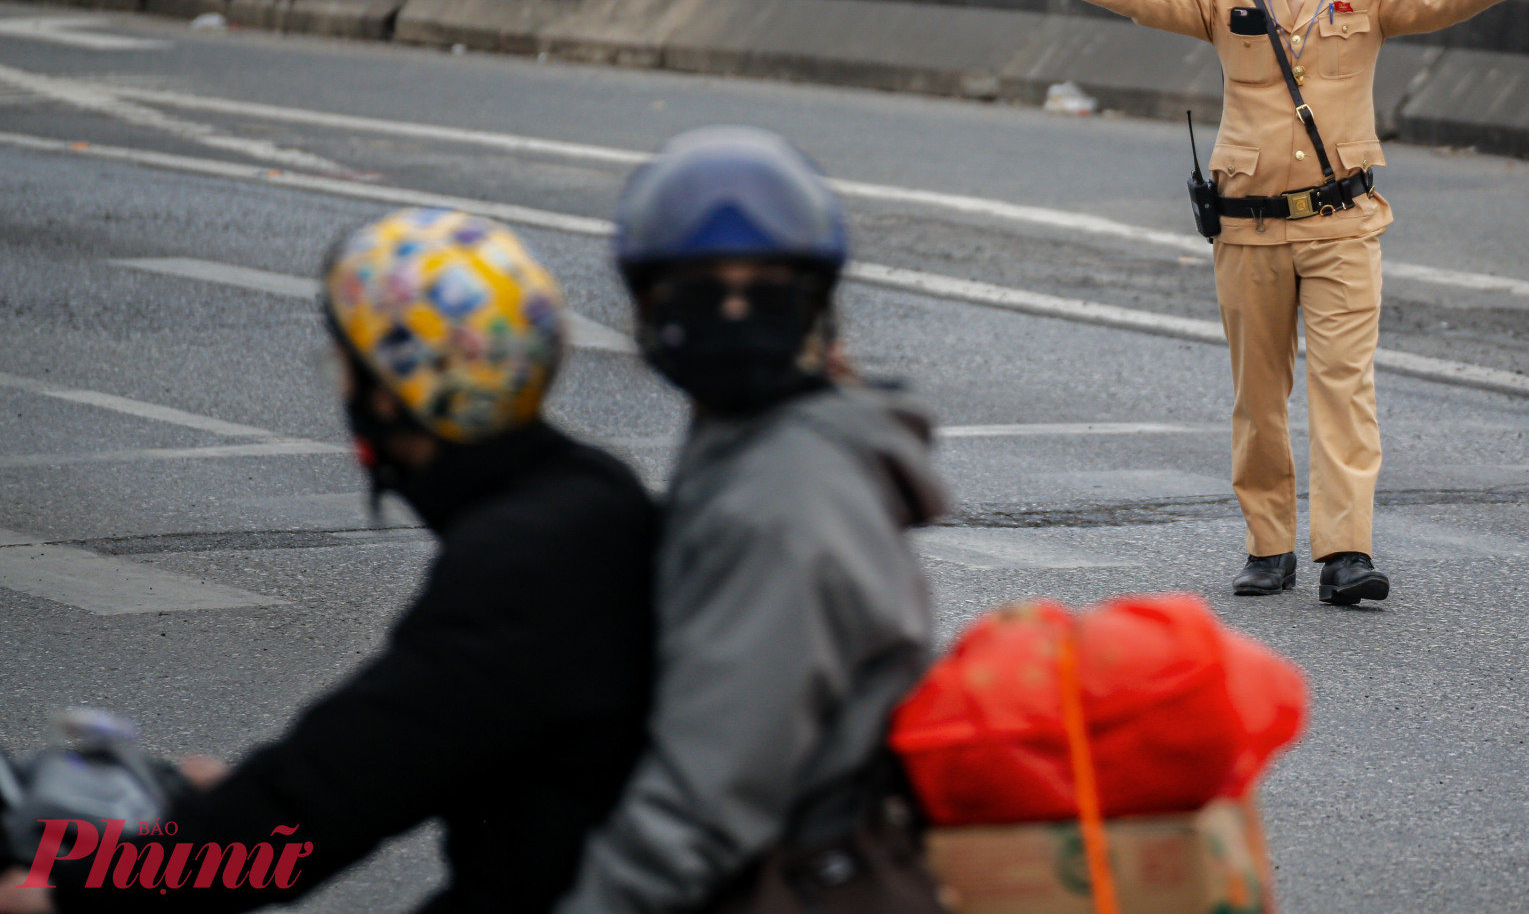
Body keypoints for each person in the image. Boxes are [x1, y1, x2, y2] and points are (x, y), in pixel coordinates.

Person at [0, 209, 655, 913]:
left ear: (392, 394)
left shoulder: (521, 565)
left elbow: (331, 797)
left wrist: (71, 892)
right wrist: (227, 812)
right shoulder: (592, 495)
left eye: (348, 370)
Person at [1017, 0, 1529, 607]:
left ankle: (1346, 550)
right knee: (1258, 395)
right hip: (1247, 225)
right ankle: (1268, 543)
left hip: (1344, 223)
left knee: (1345, 388)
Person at [557, 126, 946, 914]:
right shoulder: (768, 438)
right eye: (702, 288)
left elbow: (701, 806)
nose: (733, 310)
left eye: (764, 288)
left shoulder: (779, 505)